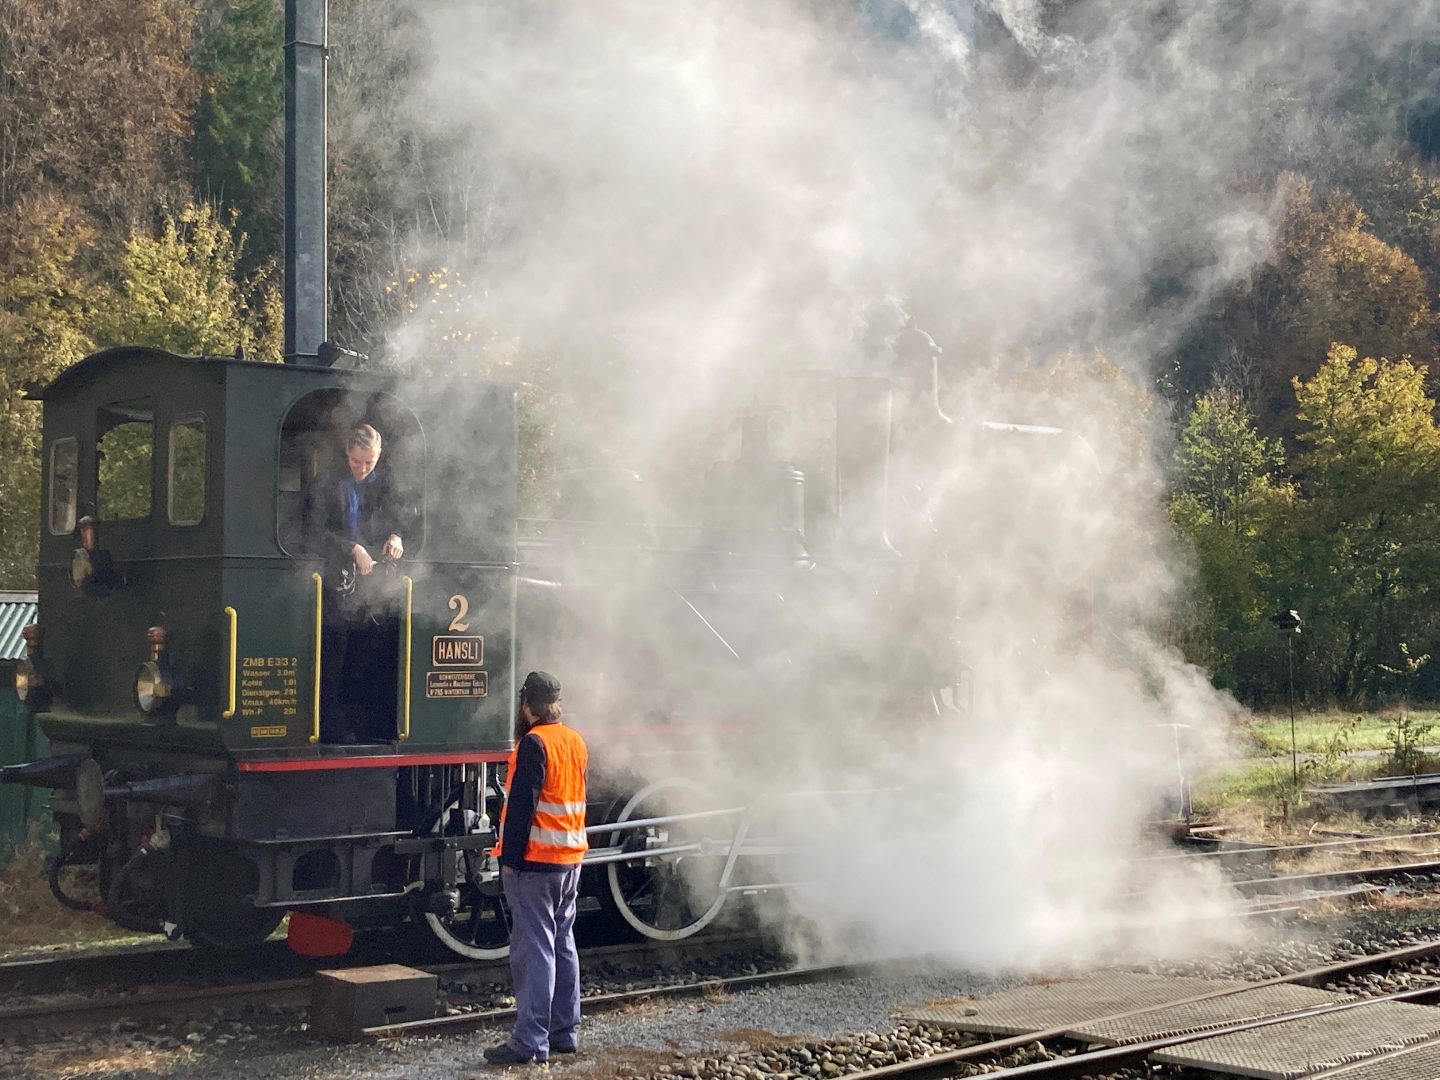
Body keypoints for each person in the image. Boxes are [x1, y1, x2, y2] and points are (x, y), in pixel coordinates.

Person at [482, 671, 588, 1066]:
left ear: (527, 705)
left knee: (534, 949)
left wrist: (508, 861)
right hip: (570, 859)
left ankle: (529, 1040)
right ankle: (565, 1032)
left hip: (536, 863)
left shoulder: (533, 743)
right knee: (562, 942)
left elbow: (522, 807)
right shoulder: (574, 740)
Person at [300, 423, 408, 743]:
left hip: (376, 583)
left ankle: (369, 724)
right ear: (347, 452)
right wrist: (352, 548)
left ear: (379, 455)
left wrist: (396, 536)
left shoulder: (388, 484)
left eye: (369, 462)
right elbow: (313, 532)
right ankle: (331, 726)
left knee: (374, 650)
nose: (362, 469)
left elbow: (404, 517)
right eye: (356, 462)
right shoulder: (326, 483)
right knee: (335, 652)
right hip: (335, 581)